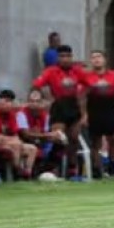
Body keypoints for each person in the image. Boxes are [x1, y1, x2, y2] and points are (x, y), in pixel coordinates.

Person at [32, 45, 88, 176]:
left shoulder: (77, 71)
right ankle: (50, 166)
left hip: (74, 106)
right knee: (59, 138)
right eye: (62, 56)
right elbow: (36, 86)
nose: (65, 59)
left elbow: (90, 84)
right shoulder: (51, 71)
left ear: (71, 57)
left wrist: (84, 101)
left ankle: (72, 169)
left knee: (73, 138)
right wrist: (43, 99)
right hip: (59, 106)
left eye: (68, 56)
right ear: (58, 58)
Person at [85, 50, 114, 179]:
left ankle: (112, 168)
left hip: (109, 109)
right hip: (94, 110)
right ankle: (96, 169)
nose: (96, 59)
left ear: (105, 59)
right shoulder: (87, 77)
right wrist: (84, 114)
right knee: (95, 142)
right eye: (93, 57)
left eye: (99, 57)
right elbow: (82, 97)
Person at [0, 90, 31, 178]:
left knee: (31, 148)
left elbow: (15, 135)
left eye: (10, 101)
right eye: (6, 101)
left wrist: (12, 139)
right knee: (15, 145)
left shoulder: (11, 114)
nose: (8, 104)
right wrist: (12, 139)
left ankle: (27, 175)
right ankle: (18, 172)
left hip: (2, 142)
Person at [18, 89, 64, 175]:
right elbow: (25, 134)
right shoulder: (22, 114)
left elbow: (46, 133)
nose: (34, 104)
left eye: (37, 101)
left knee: (60, 142)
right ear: (27, 102)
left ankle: (49, 169)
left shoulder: (46, 115)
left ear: (42, 102)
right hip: (25, 142)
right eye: (31, 101)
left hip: (41, 142)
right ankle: (31, 172)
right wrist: (47, 135)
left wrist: (54, 136)